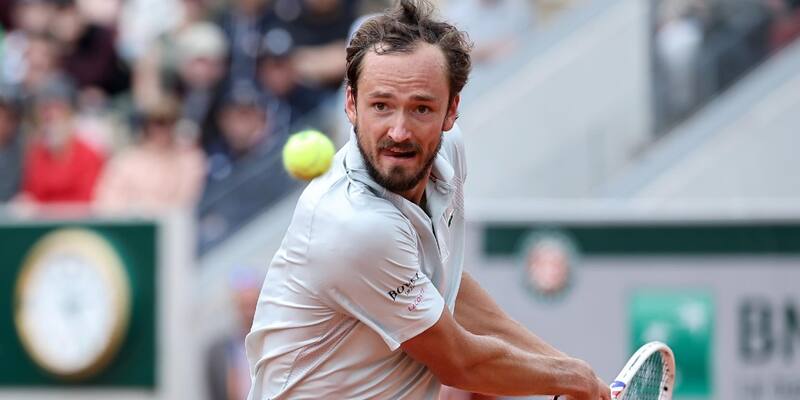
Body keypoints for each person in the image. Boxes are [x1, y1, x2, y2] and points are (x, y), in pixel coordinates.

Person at [245, 1, 610, 399]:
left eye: (421, 108)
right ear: (351, 104)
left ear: (451, 110)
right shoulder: (353, 225)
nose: (399, 131)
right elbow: (460, 362)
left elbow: (447, 289)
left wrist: (566, 371)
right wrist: (574, 379)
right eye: (381, 105)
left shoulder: (449, 153)